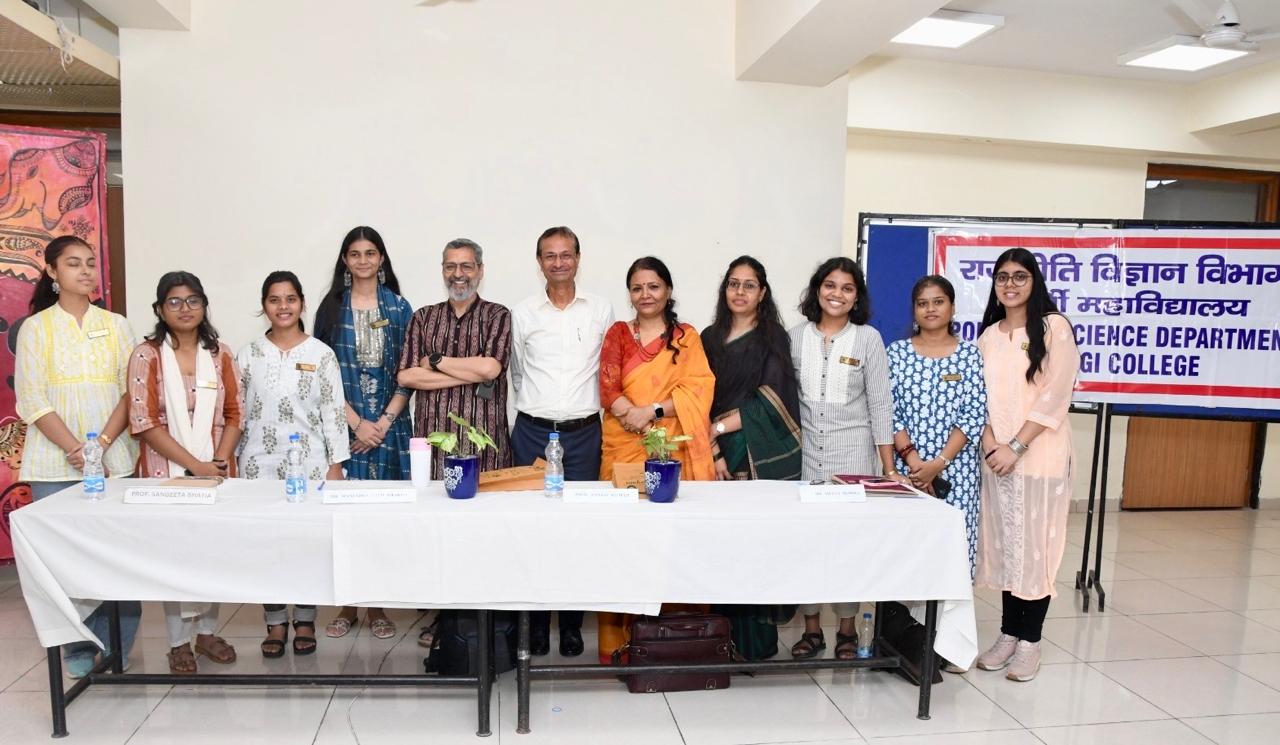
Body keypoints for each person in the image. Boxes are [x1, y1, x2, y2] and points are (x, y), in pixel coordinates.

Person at [14, 235, 141, 677]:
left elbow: (130, 392)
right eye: (73, 263)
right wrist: (76, 449)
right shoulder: (36, 328)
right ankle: (76, 647)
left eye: (90, 263)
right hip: (55, 464)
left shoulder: (117, 324)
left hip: (113, 461)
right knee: (61, 562)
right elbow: (31, 399)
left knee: (118, 557)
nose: (86, 271)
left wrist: (99, 446)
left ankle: (117, 644)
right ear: (52, 271)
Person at [596, 256, 715, 664]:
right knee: (622, 542)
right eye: (637, 288)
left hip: (671, 450)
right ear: (629, 294)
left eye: (653, 286)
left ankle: (677, 639)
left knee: (672, 542)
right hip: (622, 446)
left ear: (668, 290)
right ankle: (618, 647)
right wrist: (632, 414)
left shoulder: (686, 338)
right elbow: (607, 386)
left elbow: (699, 391)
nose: (645, 294)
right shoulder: (618, 333)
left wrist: (652, 412)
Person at [974, 248, 1080, 683]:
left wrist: (1015, 446)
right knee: (1007, 547)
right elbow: (978, 399)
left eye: (1020, 276)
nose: (1010, 284)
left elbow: (1056, 394)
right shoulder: (988, 336)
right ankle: (1008, 634)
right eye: (1002, 277)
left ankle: (1030, 642)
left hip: (1040, 457)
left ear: (1034, 281)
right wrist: (991, 445)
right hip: (997, 459)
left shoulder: (1054, 328)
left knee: (1036, 549)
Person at [127, 271, 241, 674]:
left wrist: (218, 463)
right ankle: (177, 643)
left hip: (218, 471)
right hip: (165, 475)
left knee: (214, 554)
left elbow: (235, 414)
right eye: (174, 302)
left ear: (204, 305)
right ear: (160, 309)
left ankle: (207, 633)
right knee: (172, 556)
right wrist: (196, 467)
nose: (185, 308)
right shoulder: (147, 355)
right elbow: (143, 420)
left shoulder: (221, 354)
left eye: (193, 300)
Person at [789, 257, 901, 661]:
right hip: (807, 460)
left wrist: (889, 469)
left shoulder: (868, 339)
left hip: (851, 458)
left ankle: (848, 631)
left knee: (847, 545)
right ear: (817, 289)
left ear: (857, 297)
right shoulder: (795, 337)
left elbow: (881, 406)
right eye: (830, 285)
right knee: (807, 545)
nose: (837, 294)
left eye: (847, 288)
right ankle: (811, 630)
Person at [509, 226, 613, 657]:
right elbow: (517, 372)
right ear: (539, 263)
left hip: (584, 434)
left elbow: (607, 369)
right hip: (533, 432)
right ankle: (535, 626)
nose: (558, 263)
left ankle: (571, 625)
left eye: (565, 255)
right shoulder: (523, 313)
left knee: (579, 532)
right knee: (532, 530)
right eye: (549, 256)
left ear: (578, 259)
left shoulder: (601, 309)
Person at [237, 271, 349, 658]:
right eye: (274, 299)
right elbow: (236, 412)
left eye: (290, 299)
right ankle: (274, 623)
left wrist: (336, 464)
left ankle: (304, 620)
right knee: (266, 546)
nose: (283, 306)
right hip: (258, 466)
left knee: (305, 545)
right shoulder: (248, 355)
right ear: (264, 306)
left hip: (312, 466)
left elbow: (334, 411)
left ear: (302, 303)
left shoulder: (320, 354)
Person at [883, 275, 987, 679]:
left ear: (952, 308)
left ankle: (951, 642)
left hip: (955, 472)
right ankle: (910, 638)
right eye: (923, 302)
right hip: (907, 474)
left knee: (953, 553)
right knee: (908, 551)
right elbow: (889, 410)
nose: (930, 309)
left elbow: (974, 413)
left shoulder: (969, 355)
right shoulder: (896, 353)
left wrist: (938, 463)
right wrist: (914, 462)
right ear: (914, 310)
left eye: (938, 301)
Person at [312, 226, 413, 642]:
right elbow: (321, 374)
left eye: (371, 253)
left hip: (391, 429)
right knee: (346, 521)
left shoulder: (400, 308)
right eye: (355, 254)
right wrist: (356, 423)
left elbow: (409, 372)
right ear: (345, 261)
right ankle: (347, 604)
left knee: (382, 522)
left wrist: (382, 423)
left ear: (382, 259)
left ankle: (377, 606)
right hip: (344, 430)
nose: (363, 260)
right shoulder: (331, 309)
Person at [701, 255, 800, 660]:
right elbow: (697, 399)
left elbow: (773, 400)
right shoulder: (708, 338)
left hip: (756, 452)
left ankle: (755, 644)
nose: (739, 292)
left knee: (755, 545)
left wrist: (721, 429)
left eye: (749, 285)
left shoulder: (772, 338)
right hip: (713, 455)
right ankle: (718, 638)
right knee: (720, 546)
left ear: (762, 293)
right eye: (733, 283)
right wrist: (713, 449)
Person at [398, 238, 512, 474]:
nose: (458, 274)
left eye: (466, 266)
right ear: (442, 270)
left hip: (485, 448)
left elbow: (490, 369)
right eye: (450, 266)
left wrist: (436, 361)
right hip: (433, 449)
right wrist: (473, 373)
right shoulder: (423, 317)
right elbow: (407, 377)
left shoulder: (497, 315)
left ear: (480, 270)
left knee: (488, 499)